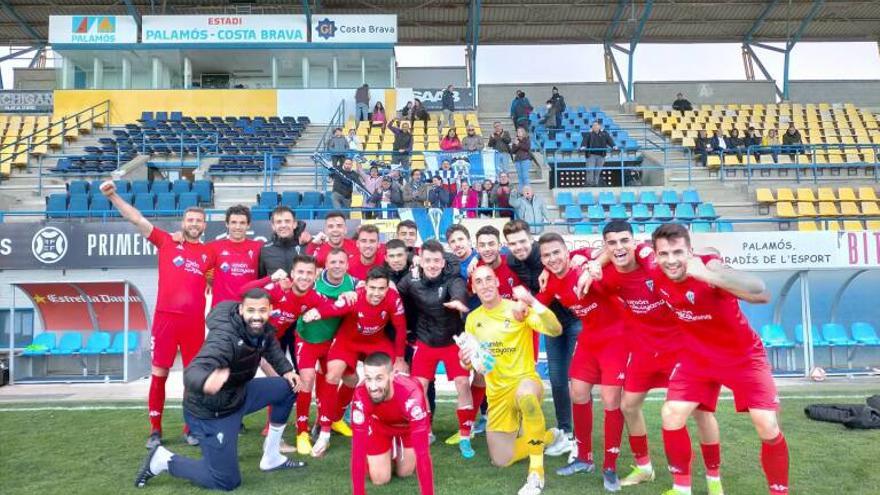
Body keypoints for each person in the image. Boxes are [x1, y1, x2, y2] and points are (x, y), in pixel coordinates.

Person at [578, 221, 722, 491]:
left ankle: (714, 481)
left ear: (635, 242)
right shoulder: (607, 276)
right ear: (605, 246)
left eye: (625, 241)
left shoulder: (651, 260)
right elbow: (588, 260)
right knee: (628, 406)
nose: (619, 247)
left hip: (682, 350)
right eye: (612, 243)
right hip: (645, 352)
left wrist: (713, 261)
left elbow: (699, 255)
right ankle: (644, 467)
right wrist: (590, 267)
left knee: (701, 413)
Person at [645, 223, 787, 495]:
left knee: (767, 424)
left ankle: (779, 491)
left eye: (678, 252)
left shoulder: (710, 268)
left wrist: (710, 275)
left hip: (743, 357)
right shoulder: (655, 270)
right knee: (671, 414)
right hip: (696, 357)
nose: (671, 260)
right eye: (664, 254)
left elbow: (759, 289)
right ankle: (682, 488)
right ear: (655, 255)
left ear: (690, 251)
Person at [134, 290, 306, 490]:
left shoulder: (262, 328)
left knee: (289, 387)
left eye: (262, 310)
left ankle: (272, 456)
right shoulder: (225, 337)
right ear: (241, 310)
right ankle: (163, 459)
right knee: (226, 481)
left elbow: (270, 347)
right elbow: (195, 370)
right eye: (251, 310)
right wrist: (205, 381)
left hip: (238, 393)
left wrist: (287, 371)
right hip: (212, 411)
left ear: (270, 310)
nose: (257, 316)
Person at [100, 180, 213, 449]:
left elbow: (228, 272)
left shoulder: (210, 253)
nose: (194, 223)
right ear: (183, 222)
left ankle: (191, 428)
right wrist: (113, 196)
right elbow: (137, 219)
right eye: (190, 219)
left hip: (193, 323)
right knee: (159, 373)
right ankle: (155, 429)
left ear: (205, 226)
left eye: (199, 220)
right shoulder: (166, 241)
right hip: (165, 320)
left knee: (192, 378)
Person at [460, 265, 568, 495]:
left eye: (489, 279)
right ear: (474, 288)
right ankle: (549, 436)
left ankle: (536, 473)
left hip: (525, 381)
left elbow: (556, 329)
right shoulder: (472, 319)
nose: (485, 284)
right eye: (479, 281)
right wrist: (465, 359)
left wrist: (532, 302)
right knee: (501, 459)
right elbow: (472, 363)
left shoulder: (517, 309)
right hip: (497, 395)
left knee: (527, 398)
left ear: (498, 282)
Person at [534, 233, 627, 491]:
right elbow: (534, 307)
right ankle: (584, 458)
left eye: (556, 253)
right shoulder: (551, 280)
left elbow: (612, 248)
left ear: (567, 250)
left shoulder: (583, 260)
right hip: (589, 341)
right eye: (546, 256)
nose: (552, 259)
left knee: (611, 401)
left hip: (616, 340)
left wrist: (593, 264)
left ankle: (610, 466)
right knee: (578, 393)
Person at [304, 266, 409, 457]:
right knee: (334, 375)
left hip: (376, 342)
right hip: (348, 341)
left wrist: (400, 358)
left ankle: (390, 425)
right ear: (365, 286)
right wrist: (316, 313)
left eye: (381, 288)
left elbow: (400, 328)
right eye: (372, 288)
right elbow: (334, 308)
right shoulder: (355, 297)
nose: (376, 293)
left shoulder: (394, 299)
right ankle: (325, 432)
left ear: (388, 288)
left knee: (396, 375)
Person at [503, 221, 579, 451]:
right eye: (513, 243)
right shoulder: (511, 260)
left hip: (576, 318)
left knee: (580, 380)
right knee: (557, 379)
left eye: (522, 241)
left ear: (531, 240)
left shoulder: (545, 253)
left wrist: (548, 267)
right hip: (550, 322)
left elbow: (570, 255)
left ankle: (582, 440)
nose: (518, 247)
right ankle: (566, 431)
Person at [396, 240, 475, 458]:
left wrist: (458, 301)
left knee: (462, 384)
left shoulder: (451, 277)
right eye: (428, 260)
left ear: (443, 262)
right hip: (425, 340)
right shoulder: (411, 280)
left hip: (452, 340)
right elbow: (394, 292)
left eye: (436, 261)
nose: (432, 265)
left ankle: (466, 435)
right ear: (421, 261)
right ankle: (426, 431)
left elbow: (458, 288)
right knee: (419, 386)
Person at [293, 248, 357, 454]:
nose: (337, 266)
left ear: (347, 265)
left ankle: (332, 418)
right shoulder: (312, 281)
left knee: (349, 380)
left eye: (341, 262)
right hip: (308, 339)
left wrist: (357, 292)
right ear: (324, 266)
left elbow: (372, 287)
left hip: (332, 341)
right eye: (333, 262)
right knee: (307, 379)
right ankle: (301, 431)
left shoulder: (354, 283)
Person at [351, 352, 434, 495]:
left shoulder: (411, 394)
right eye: (368, 378)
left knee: (405, 473)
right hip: (379, 427)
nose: (373, 386)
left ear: (391, 375)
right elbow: (358, 450)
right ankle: (382, 453)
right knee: (380, 479)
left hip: (407, 429)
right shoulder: (360, 394)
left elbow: (423, 454)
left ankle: (395, 448)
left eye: (379, 378)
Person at [207, 205, 263, 307]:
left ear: (248, 225)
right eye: (233, 222)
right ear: (227, 224)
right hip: (221, 309)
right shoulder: (213, 247)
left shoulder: (259, 247)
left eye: (242, 223)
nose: (238, 227)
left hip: (248, 308)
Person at [580, 121, 616, 187]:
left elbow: (609, 140)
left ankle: (595, 184)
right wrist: (583, 146)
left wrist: (613, 146)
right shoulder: (589, 134)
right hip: (591, 155)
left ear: (599, 126)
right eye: (593, 125)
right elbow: (584, 141)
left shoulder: (604, 134)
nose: (595, 127)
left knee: (598, 171)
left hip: (601, 155)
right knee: (590, 170)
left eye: (596, 125)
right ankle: (589, 184)